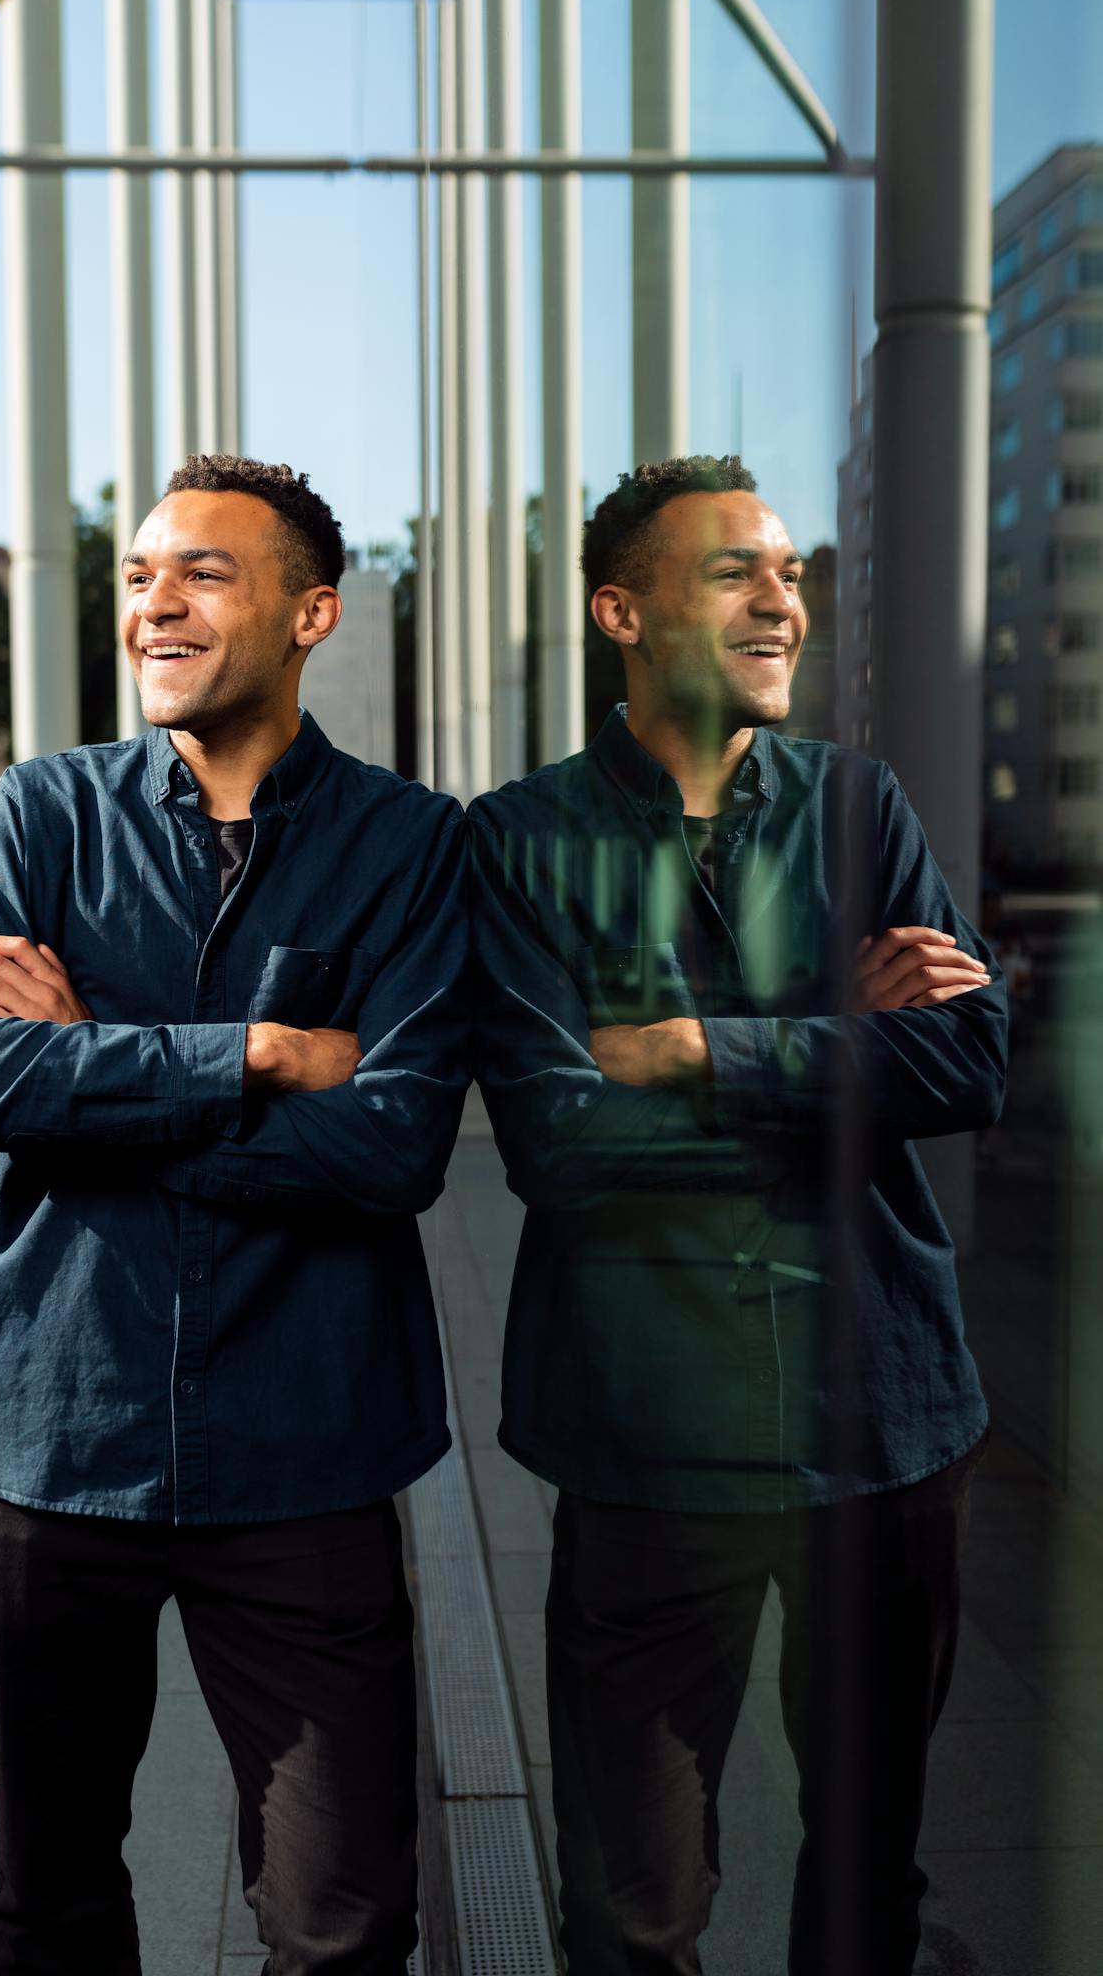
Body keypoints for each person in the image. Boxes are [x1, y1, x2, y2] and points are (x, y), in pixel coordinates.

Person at [0, 454, 470, 1976]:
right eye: (140, 575)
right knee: (50, 1904)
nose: (154, 601)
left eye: (204, 573)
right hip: (44, 1437)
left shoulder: (414, 844)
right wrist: (256, 1060)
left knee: (348, 1922)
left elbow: (394, 1148)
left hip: (307, 1452)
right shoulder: (44, 813)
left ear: (310, 615)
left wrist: (88, 1067)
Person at [467, 455, 1007, 1976]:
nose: (783, 602)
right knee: (629, 1909)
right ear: (621, 612)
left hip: (880, 1421)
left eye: (790, 574)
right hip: (645, 1443)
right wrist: (845, 1049)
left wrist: (697, 1048)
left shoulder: (859, 806)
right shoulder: (515, 838)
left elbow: (966, 1062)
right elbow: (560, 1142)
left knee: (868, 1880)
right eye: (734, 573)